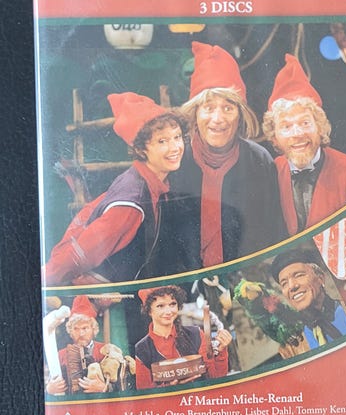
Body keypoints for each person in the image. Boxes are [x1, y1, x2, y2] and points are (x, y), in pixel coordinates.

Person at [43, 92, 188, 285]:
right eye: (162, 141)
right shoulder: (131, 203)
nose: (175, 147)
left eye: (177, 137)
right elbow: (80, 253)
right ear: (140, 149)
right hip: (103, 295)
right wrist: (43, 279)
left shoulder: (147, 182)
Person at [170, 41, 286, 269]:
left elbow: (273, 235)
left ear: (240, 114)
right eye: (208, 107)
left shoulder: (259, 161)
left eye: (228, 108)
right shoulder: (175, 160)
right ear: (195, 113)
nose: (218, 119)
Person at [262, 54, 346, 236]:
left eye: (305, 123)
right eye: (286, 126)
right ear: (274, 137)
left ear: (320, 127)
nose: (297, 134)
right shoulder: (270, 174)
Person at [235, 249, 346, 359]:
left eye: (299, 275)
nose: (291, 286)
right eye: (284, 283)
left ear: (320, 278)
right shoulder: (290, 349)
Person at [135, 285, 232, 390]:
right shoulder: (141, 350)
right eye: (160, 306)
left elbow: (215, 378)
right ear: (149, 310)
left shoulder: (196, 334)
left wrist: (221, 352)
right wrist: (170, 387)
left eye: (172, 304)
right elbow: (145, 392)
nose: (168, 311)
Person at [46, 296, 107, 394]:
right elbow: (49, 382)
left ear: (93, 329)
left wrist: (104, 388)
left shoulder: (105, 351)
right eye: (76, 329)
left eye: (85, 328)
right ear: (70, 331)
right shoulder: (60, 355)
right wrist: (49, 389)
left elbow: (122, 386)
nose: (81, 333)